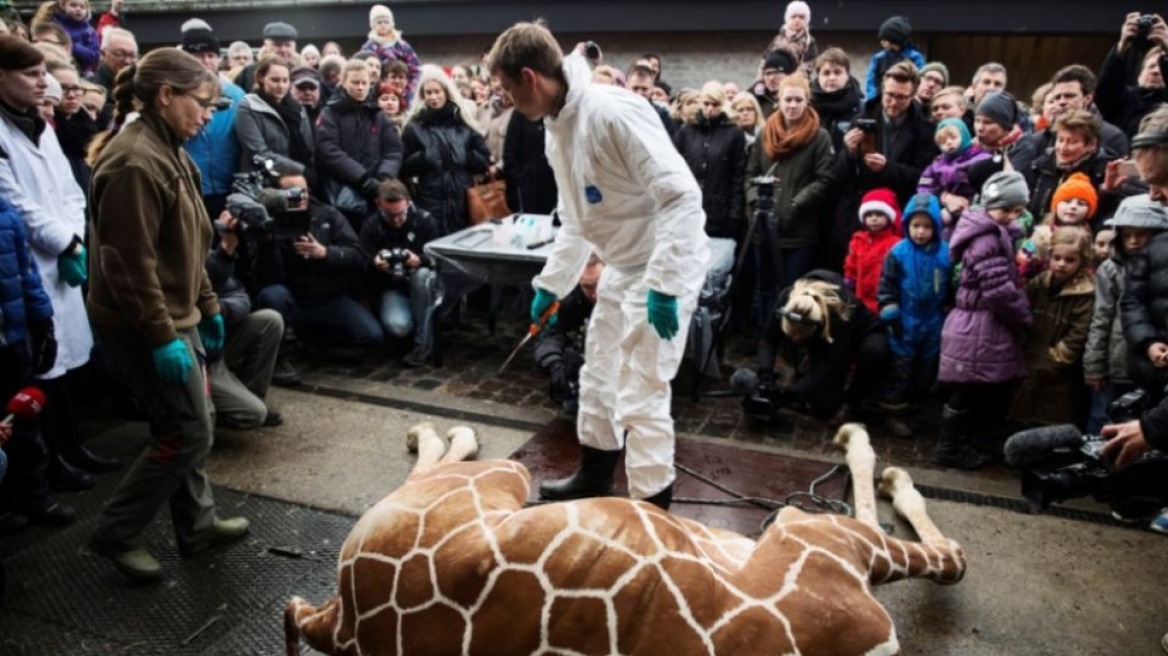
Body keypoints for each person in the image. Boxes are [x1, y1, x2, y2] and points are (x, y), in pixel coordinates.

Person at [488, 22, 710, 510]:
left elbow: (681, 196)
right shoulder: (557, 128)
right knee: (600, 373)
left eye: (506, 87)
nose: (504, 99)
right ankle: (595, 475)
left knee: (641, 389)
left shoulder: (612, 112)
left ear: (530, 76)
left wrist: (667, 285)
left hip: (662, 263)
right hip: (623, 263)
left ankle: (652, 508)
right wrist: (551, 285)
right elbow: (576, 219)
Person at [86, 46, 250, 582]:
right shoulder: (135, 161)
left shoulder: (169, 145)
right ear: (165, 96)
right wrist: (161, 336)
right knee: (186, 432)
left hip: (176, 313)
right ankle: (117, 533)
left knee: (187, 424)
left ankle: (197, 526)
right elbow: (129, 265)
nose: (208, 114)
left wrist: (205, 304)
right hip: (144, 323)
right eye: (202, 103)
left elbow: (187, 238)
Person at [0, 37, 110, 491]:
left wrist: (75, 240)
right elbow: (15, 203)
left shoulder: (40, 127)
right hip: (30, 263)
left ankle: (73, 447)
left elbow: (68, 190)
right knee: (43, 369)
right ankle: (50, 465)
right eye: (31, 74)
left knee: (64, 368)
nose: (41, 83)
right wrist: (63, 241)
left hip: (65, 257)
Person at [937, 171, 1033, 469]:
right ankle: (950, 447)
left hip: (977, 321)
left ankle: (968, 442)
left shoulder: (993, 233)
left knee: (976, 386)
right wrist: (1023, 316)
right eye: (1006, 210)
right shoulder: (985, 239)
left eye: (1017, 211)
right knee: (965, 388)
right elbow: (998, 290)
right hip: (978, 323)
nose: (1011, 217)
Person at [0, 191, 74, 534]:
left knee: (26, 424)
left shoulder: (6, 214)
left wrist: (43, 321)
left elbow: (26, 271)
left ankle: (36, 496)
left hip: (13, 337)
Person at [254, 175, 383, 349]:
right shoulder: (269, 222)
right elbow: (267, 276)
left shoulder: (327, 214)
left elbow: (358, 255)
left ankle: (313, 339)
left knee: (371, 336)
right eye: (294, 193)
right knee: (273, 294)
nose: (302, 197)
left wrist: (326, 253)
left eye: (305, 191)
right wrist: (269, 242)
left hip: (328, 296)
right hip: (292, 296)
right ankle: (281, 351)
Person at [744, 74, 835, 318]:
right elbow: (750, 173)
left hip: (799, 231)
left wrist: (795, 205)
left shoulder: (819, 136)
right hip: (763, 226)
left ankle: (787, 339)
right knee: (763, 288)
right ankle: (765, 335)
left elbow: (824, 179)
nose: (792, 105)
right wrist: (755, 201)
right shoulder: (765, 134)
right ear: (778, 101)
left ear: (807, 101)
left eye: (798, 99)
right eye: (788, 99)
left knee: (790, 289)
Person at [755, 270, 888, 422]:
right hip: (825, 338)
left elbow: (830, 363)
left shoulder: (841, 312)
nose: (795, 340)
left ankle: (852, 401)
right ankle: (809, 367)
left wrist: (791, 395)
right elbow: (768, 338)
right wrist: (765, 375)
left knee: (875, 351)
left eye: (799, 336)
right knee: (822, 407)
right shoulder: (786, 299)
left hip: (857, 336)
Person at [1084, 197, 1167, 434]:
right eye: (1127, 234)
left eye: (1142, 234)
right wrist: (1094, 367)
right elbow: (1100, 319)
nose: (1133, 241)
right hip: (1116, 365)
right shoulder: (1110, 269)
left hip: (1154, 365)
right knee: (1102, 420)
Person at [204, 211, 284, 429]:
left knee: (269, 320)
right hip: (194, 355)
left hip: (215, 345)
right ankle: (209, 413)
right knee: (252, 414)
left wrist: (219, 310)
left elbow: (240, 297)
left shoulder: (203, 256)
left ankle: (247, 396)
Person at [1008, 227, 1095, 428]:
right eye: (1057, 258)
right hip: (1029, 356)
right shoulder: (1039, 283)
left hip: (1058, 370)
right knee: (1020, 412)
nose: (1061, 264)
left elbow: (1077, 336)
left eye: (1070, 260)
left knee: (1050, 417)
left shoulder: (1086, 294)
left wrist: (1052, 361)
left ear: (1082, 261)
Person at [877, 193, 950, 430]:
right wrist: (891, 313)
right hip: (905, 319)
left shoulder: (946, 254)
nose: (920, 232)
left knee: (926, 370)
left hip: (933, 320)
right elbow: (886, 286)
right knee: (901, 369)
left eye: (927, 226)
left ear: (936, 227)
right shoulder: (898, 252)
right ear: (907, 225)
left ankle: (915, 407)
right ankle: (894, 411)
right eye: (915, 225)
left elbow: (952, 287)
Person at [356, 180, 439, 367]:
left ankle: (423, 344)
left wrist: (420, 260)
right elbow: (360, 259)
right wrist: (374, 262)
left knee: (422, 275)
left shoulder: (425, 220)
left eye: (400, 214)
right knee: (397, 326)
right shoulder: (371, 225)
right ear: (378, 204)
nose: (395, 220)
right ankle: (409, 330)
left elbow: (439, 258)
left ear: (409, 202)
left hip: (423, 286)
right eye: (388, 214)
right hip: (393, 287)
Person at [399, 65, 490, 236]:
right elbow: (403, 166)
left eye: (437, 91)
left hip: (464, 200)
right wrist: (424, 158)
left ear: (447, 92)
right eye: (428, 93)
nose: (433, 97)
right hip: (429, 200)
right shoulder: (415, 127)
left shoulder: (463, 123)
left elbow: (484, 161)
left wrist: (466, 156)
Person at [315, 59, 403, 229]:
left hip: (377, 190)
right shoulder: (330, 113)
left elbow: (394, 150)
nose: (361, 87)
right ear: (343, 82)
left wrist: (384, 178)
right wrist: (362, 179)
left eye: (365, 83)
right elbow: (328, 151)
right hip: (343, 191)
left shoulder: (378, 115)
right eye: (355, 82)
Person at [180, 21, 245, 222]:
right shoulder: (175, 95)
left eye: (211, 55)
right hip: (190, 189)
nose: (206, 61)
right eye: (199, 55)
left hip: (229, 189)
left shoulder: (236, 95)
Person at [674, 80, 746, 242]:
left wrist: (735, 214)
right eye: (706, 103)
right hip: (690, 207)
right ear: (700, 103)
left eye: (715, 104)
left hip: (720, 210)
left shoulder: (733, 133)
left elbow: (738, 176)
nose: (710, 109)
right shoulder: (687, 130)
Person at [534, 257, 603, 416]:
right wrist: (553, 363)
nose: (595, 294)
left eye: (598, 284)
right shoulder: (570, 300)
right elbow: (551, 335)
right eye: (588, 287)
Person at [1025, 109, 1117, 225]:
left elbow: (1104, 217)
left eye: (1072, 142)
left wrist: (1107, 191)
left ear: (1091, 145)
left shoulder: (1103, 171)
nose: (1063, 148)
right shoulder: (1040, 166)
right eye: (1060, 140)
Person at [235, 55, 315, 183]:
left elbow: (309, 148)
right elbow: (259, 154)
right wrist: (301, 170)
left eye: (285, 80)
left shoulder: (297, 109)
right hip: (262, 180)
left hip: (300, 179)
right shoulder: (248, 106)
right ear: (261, 78)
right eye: (275, 80)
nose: (281, 86)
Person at [917, 118, 991, 241]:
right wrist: (940, 199)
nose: (949, 143)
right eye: (943, 141)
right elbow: (924, 186)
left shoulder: (980, 158)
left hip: (975, 207)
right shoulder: (936, 165)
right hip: (947, 210)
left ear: (964, 135)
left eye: (953, 138)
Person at [1096, 13, 1167, 140]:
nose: (1156, 71)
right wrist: (1122, 46)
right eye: (1151, 66)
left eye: (1161, 67)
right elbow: (1105, 91)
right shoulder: (1125, 100)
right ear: (1139, 74)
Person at [1016, 172, 1098, 280]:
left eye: (1081, 204)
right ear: (1056, 205)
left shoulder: (1088, 238)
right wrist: (1027, 259)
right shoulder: (1042, 233)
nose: (1073, 207)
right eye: (1067, 201)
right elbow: (1024, 254)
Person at [844, 188, 901, 313]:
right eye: (869, 215)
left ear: (889, 216)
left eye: (879, 214)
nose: (874, 219)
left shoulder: (896, 243)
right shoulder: (858, 241)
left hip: (884, 301)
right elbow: (851, 267)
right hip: (860, 299)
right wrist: (848, 285)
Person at [360, 4, 421, 103]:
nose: (383, 24)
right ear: (373, 25)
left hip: (404, 93)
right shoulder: (368, 47)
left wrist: (409, 89)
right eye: (379, 22)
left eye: (386, 22)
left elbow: (416, 69)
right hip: (378, 94)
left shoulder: (402, 45)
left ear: (391, 24)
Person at [810, 47, 863, 154]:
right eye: (826, 73)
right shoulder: (806, 106)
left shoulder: (861, 108)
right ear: (818, 76)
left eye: (837, 72)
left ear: (847, 75)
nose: (832, 78)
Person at [864, 15, 925, 101]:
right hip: (880, 100)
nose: (882, 42)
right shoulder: (878, 58)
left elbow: (919, 81)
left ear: (895, 39)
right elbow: (871, 82)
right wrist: (873, 100)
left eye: (885, 40)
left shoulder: (914, 57)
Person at [760, 1, 817, 77]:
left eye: (801, 17)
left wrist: (795, 77)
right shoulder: (778, 39)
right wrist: (762, 79)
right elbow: (765, 60)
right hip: (774, 77)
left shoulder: (808, 41)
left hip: (796, 79)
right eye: (793, 17)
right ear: (787, 18)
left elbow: (809, 64)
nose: (797, 20)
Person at [49, 0, 98, 75]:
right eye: (73, 5)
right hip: (58, 68)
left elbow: (94, 56)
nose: (78, 9)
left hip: (83, 70)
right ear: (63, 6)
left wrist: (74, 46)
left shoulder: (89, 31)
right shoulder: (55, 26)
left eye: (82, 7)